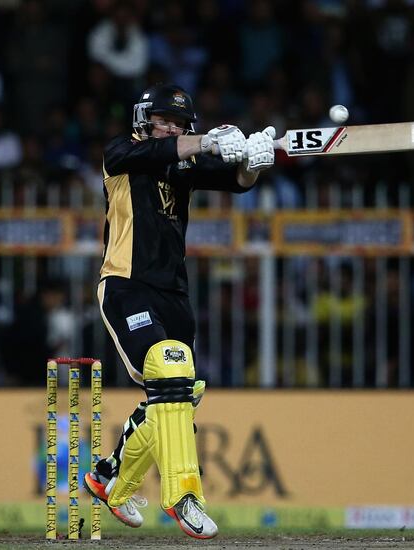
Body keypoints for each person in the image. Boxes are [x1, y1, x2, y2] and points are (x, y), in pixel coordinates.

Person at [83, 83, 274, 539]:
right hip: (127, 285)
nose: (169, 127)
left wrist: (254, 159)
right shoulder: (121, 153)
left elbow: (238, 183)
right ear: (144, 120)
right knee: (170, 369)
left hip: (174, 294)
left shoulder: (179, 165)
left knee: (176, 392)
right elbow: (158, 152)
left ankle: (110, 478)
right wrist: (207, 140)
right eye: (162, 120)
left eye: (177, 123)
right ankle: (183, 495)